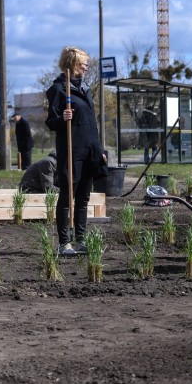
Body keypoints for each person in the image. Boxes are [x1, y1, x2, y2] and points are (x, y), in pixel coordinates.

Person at [45, 46, 108, 256]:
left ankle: (80, 240)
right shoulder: (59, 89)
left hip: (89, 150)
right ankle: (64, 243)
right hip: (72, 151)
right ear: (72, 64)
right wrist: (62, 118)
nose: (86, 68)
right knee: (67, 197)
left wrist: (99, 149)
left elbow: (92, 123)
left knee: (83, 198)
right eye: (83, 65)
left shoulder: (85, 89)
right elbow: (51, 122)